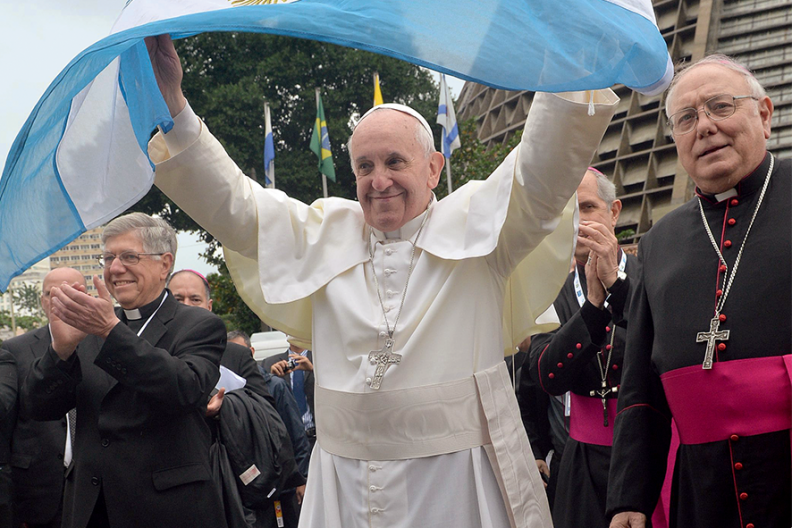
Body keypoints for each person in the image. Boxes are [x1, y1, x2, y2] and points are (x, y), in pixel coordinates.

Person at [145, 33, 617, 528]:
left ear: (434, 168)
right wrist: (176, 108)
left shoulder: (482, 231)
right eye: (364, 166)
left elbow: (540, 172)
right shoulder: (324, 237)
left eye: (395, 161)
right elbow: (234, 207)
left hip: (458, 483)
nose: (379, 180)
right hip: (345, 487)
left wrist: (570, 49)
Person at [606, 54, 790, 528]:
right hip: (702, 492)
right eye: (686, 118)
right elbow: (640, 386)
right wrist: (630, 496)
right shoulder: (659, 241)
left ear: (764, 115)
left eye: (720, 106)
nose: (704, 127)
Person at [22, 213, 227, 528]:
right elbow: (38, 406)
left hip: (167, 510)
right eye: (108, 258)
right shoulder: (90, 327)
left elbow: (184, 388)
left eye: (130, 257)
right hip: (91, 510)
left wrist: (111, 331)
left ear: (164, 263)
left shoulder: (198, 325)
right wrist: (60, 351)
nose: (115, 269)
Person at [524, 169, 634, 528]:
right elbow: (546, 377)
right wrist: (592, 305)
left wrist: (616, 288)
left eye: (587, 207)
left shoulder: (650, 277)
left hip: (644, 453)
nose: (577, 220)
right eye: (565, 211)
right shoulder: (547, 294)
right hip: (580, 462)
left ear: (614, 211)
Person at [2, 268, 85, 528]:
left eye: (71, 293)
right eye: (53, 294)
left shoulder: (106, 345)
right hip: (36, 493)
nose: (61, 301)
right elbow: (8, 421)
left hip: (93, 487)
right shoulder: (15, 349)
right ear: (42, 301)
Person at [229, 330, 311, 528]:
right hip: (246, 489)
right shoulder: (224, 390)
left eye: (240, 352)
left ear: (251, 352)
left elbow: (295, 433)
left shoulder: (274, 386)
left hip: (280, 485)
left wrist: (301, 478)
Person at [167, 269, 271, 403]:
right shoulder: (151, 349)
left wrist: (225, 407)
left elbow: (264, 408)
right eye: (178, 299)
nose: (186, 306)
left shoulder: (238, 356)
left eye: (195, 299)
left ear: (209, 306)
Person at [262, 341, 315, 450]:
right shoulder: (269, 363)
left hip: (318, 438)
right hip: (287, 442)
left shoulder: (321, 360)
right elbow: (262, 401)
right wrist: (271, 378)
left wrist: (313, 370)